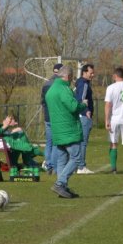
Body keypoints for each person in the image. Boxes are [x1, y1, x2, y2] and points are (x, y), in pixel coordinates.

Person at [45, 65, 88, 199]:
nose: (72, 81)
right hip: (68, 130)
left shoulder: (51, 90)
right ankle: (60, 183)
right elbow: (73, 107)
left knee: (62, 159)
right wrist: (84, 104)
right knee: (76, 158)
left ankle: (62, 189)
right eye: (72, 78)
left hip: (57, 130)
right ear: (68, 76)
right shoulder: (64, 89)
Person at [0, 98, 43, 174]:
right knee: (17, 140)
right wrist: (5, 125)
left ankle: (22, 160)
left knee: (20, 134)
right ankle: (34, 153)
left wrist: (7, 124)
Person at [41, 63, 63, 175]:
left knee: (49, 142)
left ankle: (48, 165)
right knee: (55, 143)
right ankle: (54, 167)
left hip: (47, 117)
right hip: (56, 117)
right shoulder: (59, 84)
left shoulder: (46, 84)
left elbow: (42, 102)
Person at [75, 63, 95, 174]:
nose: (93, 75)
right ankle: (81, 167)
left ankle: (77, 165)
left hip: (80, 116)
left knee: (79, 142)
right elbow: (80, 99)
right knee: (83, 142)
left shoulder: (80, 82)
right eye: (91, 73)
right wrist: (86, 110)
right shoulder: (84, 84)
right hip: (84, 116)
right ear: (84, 72)